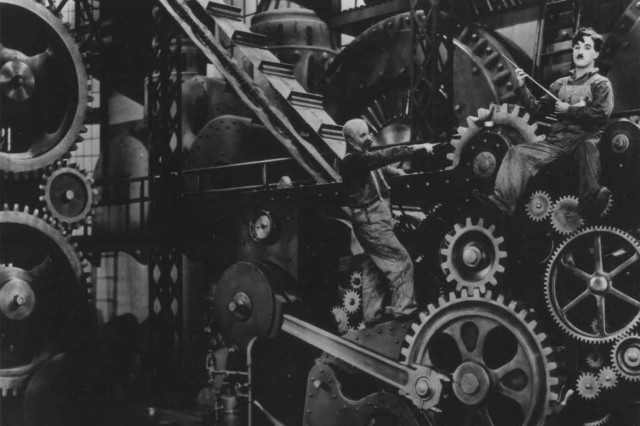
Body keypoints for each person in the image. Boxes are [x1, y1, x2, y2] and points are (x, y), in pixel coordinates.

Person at [474, 27, 613, 218]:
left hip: (584, 138)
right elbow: (538, 111)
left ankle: (590, 201)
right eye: (577, 47)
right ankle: (501, 204)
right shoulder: (559, 84)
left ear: (596, 53)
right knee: (517, 153)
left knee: (588, 147)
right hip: (556, 142)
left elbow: (601, 114)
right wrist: (522, 88)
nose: (580, 51)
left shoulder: (601, 83)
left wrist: (569, 110)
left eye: (587, 47)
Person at [340, 118, 435, 326]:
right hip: (371, 222)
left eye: (368, 134)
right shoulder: (351, 162)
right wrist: (416, 149)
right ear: (350, 139)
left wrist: (408, 177)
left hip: (376, 221)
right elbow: (384, 157)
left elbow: (385, 171)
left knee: (374, 267)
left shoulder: (364, 160)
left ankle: (372, 317)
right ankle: (404, 312)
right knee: (401, 263)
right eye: (363, 135)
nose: (369, 138)